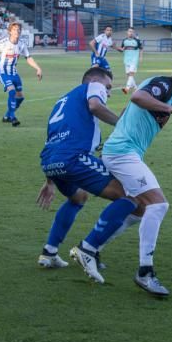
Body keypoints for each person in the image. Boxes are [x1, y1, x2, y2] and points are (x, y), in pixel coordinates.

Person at [101, 48, 172, 296]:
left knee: (139, 209)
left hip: (123, 152)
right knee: (158, 205)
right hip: (123, 153)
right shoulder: (164, 86)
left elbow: (129, 111)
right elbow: (137, 97)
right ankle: (145, 272)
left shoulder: (168, 91)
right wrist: (170, 109)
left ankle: (91, 248)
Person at [37, 68, 143, 285]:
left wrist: (49, 180)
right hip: (74, 158)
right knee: (132, 195)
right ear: (94, 81)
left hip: (51, 161)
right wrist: (121, 124)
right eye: (108, 87)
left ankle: (49, 252)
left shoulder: (63, 101)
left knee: (78, 198)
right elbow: (95, 106)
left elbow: (53, 138)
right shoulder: (92, 87)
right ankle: (89, 249)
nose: (108, 93)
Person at [0, 22, 42, 127]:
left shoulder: (21, 44)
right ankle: (12, 118)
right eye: (15, 29)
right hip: (3, 72)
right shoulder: (1, 43)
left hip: (13, 73)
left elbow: (28, 58)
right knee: (12, 92)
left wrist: (38, 68)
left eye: (19, 29)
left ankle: (7, 116)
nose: (17, 31)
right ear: (10, 31)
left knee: (20, 97)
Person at [118, 27, 143, 95]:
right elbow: (122, 49)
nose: (131, 33)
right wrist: (117, 48)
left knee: (131, 74)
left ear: (134, 33)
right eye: (129, 31)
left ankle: (127, 89)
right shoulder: (124, 41)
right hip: (126, 60)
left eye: (132, 31)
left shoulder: (137, 41)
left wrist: (141, 57)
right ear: (127, 32)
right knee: (128, 75)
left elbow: (141, 49)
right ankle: (136, 88)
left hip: (134, 60)